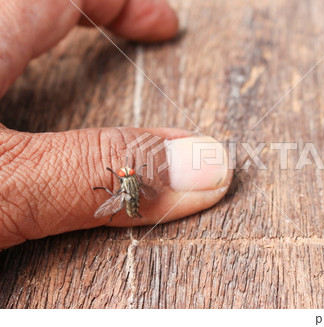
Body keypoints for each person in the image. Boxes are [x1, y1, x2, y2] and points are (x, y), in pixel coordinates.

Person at [0, 0, 232, 249]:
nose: (127, 172)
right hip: (132, 197)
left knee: (116, 200)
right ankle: (132, 211)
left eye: (126, 173)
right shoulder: (134, 182)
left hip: (128, 197)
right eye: (128, 173)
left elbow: (121, 193)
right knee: (122, 199)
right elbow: (142, 190)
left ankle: (130, 211)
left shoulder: (125, 184)